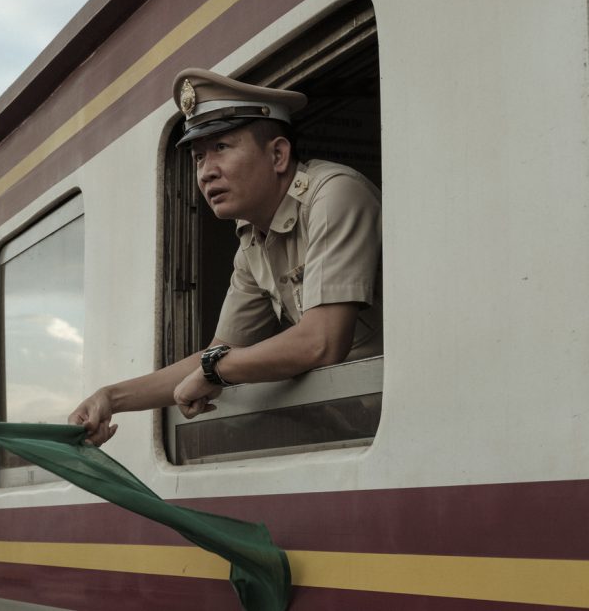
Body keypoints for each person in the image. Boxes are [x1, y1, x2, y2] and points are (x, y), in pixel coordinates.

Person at [68, 68, 382, 446]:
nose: (206, 172)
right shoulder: (252, 241)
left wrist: (218, 371)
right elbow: (219, 351)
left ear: (279, 155)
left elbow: (322, 341)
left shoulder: (333, 195)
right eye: (199, 157)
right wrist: (110, 397)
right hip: (365, 426)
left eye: (222, 148)